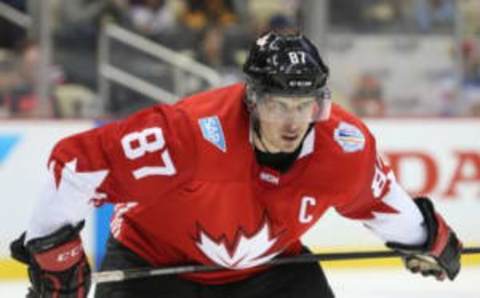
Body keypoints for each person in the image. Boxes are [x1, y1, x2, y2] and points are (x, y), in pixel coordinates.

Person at [10, 31, 462, 298]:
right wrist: (56, 253)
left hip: (268, 273)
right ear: (252, 98)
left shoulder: (344, 146)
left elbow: (379, 202)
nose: (293, 121)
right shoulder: (187, 133)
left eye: (305, 105)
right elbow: (74, 165)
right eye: (279, 105)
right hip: (154, 269)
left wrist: (428, 238)